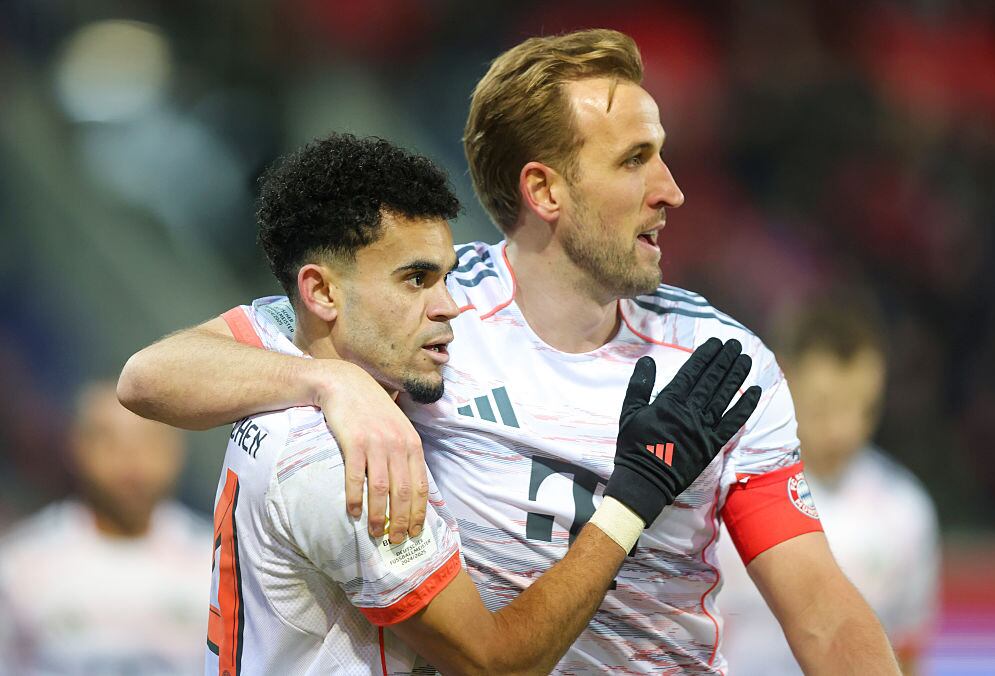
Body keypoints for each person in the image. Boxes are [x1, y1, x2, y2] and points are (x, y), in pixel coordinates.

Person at [119, 29, 900, 672]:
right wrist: (333, 383)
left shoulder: (719, 362)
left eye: (660, 154)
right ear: (545, 190)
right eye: (633, 160)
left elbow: (820, 611)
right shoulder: (420, 314)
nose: (672, 189)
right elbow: (151, 377)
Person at [201, 132, 760, 675]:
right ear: (322, 292)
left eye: (445, 277)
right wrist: (633, 497)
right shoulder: (347, 464)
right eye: (415, 279)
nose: (449, 305)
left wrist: (338, 382)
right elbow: (496, 665)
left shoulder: (281, 361)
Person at [717, 295, 941, 674]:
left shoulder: (906, 509)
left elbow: (906, 652)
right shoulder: (719, 491)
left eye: (863, 406)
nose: (844, 428)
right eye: (824, 405)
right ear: (783, 377)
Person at [0, 381, 210, 675]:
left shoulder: (215, 563)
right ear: (76, 447)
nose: (132, 460)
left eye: (148, 441)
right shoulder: (21, 565)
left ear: (176, 449)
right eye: (110, 441)